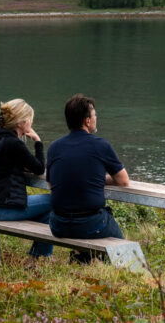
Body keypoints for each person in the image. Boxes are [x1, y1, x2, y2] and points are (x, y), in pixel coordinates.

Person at [46, 93, 129, 257]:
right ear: (87, 120)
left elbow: (51, 185)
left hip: (58, 225)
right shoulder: (100, 145)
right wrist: (97, 179)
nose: (96, 118)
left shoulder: (54, 147)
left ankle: (81, 258)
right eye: (95, 115)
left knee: (90, 224)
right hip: (91, 223)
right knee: (122, 249)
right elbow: (123, 181)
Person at [0, 98, 53, 258]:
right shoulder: (13, 143)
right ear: (21, 123)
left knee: (49, 215)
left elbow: (11, 162)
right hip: (2, 208)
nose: (31, 122)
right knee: (57, 200)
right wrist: (38, 141)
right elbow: (38, 168)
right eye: (30, 119)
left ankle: (39, 257)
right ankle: (41, 257)